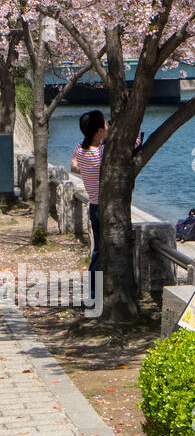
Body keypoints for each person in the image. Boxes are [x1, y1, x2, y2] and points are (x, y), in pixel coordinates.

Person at [70, 110, 107, 297]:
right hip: (105, 207)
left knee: (98, 250)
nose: (108, 126)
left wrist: (86, 172)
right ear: (99, 131)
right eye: (106, 124)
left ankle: (94, 292)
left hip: (93, 205)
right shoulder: (101, 152)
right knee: (105, 250)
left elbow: (73, 166)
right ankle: (96, 292)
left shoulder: (80, 148)